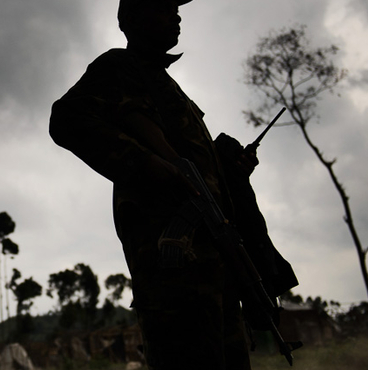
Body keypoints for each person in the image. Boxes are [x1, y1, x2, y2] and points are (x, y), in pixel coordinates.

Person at [49, 1, 281, 368]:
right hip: (175, 274)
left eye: (176, 8)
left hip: (215, 266)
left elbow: (193, 168)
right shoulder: (118, 68)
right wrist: (143, 162)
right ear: (132, 19)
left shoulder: (169, 89)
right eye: (162, 7)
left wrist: (230, 172)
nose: (176, 15)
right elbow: (66, 120)